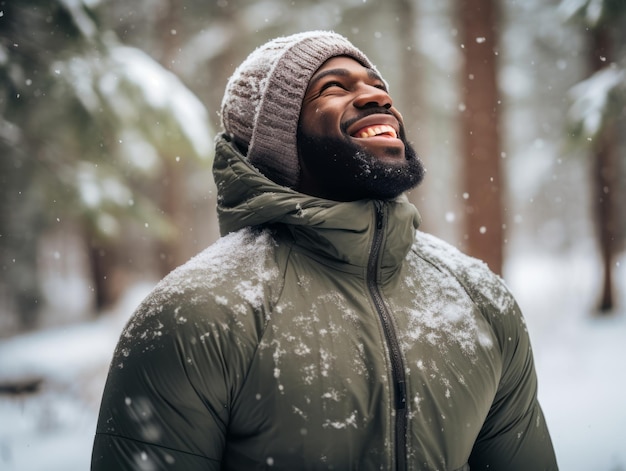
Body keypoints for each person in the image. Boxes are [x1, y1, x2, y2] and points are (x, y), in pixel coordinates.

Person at [91, 31, 558, 470]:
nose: (379, 97)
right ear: (277, 142)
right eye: (332, 88)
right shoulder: (194, 313)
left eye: (378, 86)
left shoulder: (478, 297)